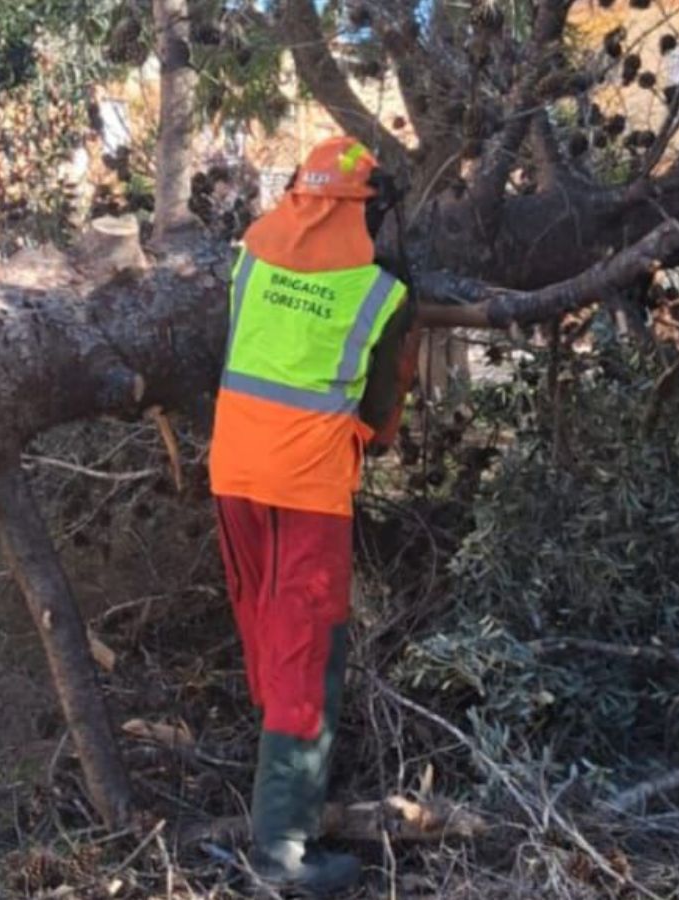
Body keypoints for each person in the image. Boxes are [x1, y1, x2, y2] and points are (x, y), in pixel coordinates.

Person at [209, 135, 417, 895]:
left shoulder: (250, 261)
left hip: (234, 471)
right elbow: (381, 422)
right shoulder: (381, 294)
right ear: (365, 210)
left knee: (267, 627)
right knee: (306, 650)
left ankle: (281, 786)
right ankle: (281, 853)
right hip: (306, 489)